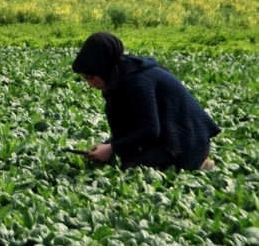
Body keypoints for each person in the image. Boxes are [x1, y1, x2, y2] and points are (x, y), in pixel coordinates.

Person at [71, 32, 220, 171]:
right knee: (128, 163)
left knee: (130, 171)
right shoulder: (119, 76)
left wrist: (112, 148)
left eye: (90, 78)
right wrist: (107, 145)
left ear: (102, 67)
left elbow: (150, 130)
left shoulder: (138, 80)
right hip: (166, 137)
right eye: (85, 79)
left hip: (187, 143)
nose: (90, 84)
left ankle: (200, 164)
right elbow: (129, 127)